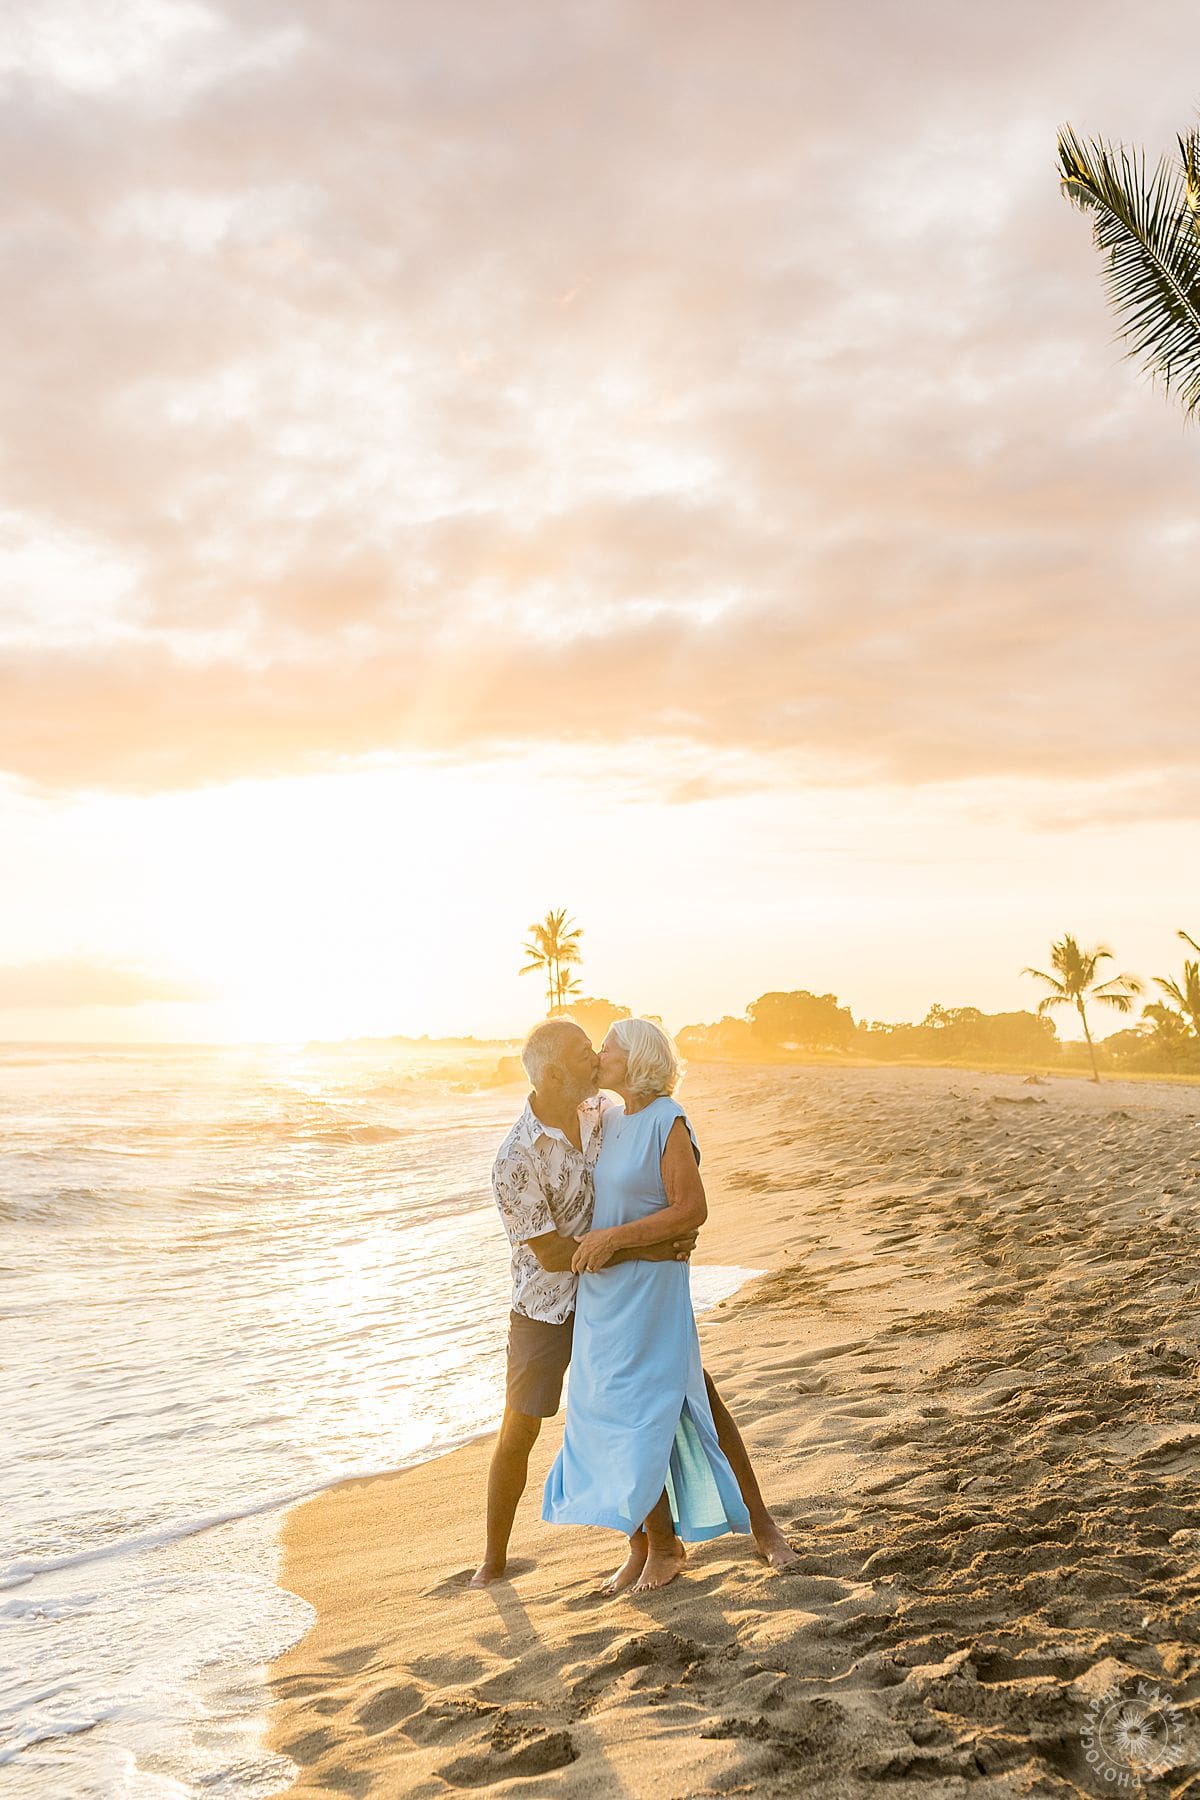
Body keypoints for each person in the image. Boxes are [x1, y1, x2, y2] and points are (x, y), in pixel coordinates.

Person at [470, 1016, 797, 1589]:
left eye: (600, 1049)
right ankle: (494, 1560)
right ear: (550, 1073)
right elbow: (550, 1254)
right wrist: (648, 1249)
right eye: (582, 1053)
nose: (596, 1057)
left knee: (683, 1399)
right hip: (547, 1305)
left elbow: (663, 1181)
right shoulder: (513, 1159)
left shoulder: (603, 1113)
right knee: (521, 1427)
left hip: (618, 1296)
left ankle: (675, 1541)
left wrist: (647, 1243)